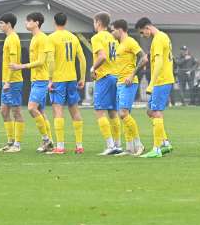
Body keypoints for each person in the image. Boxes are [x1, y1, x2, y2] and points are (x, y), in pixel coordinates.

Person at [13, 12, 54, 153]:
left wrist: (21, 66)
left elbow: (41, 61)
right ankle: (50, 141)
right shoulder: (35, 38)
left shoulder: (42, 38)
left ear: (37, 22)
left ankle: (46, 140)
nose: (26, 23)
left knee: (31, 108)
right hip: (35, 79)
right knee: (41, 111)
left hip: (41, 79)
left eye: (29, 20)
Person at [134, 17, 175, 158]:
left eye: (142, 32)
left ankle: (157, 149)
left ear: (147, 28)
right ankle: (165, 143)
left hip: (162, 80)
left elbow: (158, 63)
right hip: (164, 79)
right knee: (150, 111)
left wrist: (152, 83)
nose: (142, 35)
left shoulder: (158, 39)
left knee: (156, 112)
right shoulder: (164, 36)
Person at [48, 13, 86, 154]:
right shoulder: (73, 37)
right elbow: (82, 59)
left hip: (58, 79)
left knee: (58, 110)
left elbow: (51, 60)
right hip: (72, 78)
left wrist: (50, 79)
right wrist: (82, 77)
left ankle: (60, 146)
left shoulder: (51, 38)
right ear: (66, 21)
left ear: (54, 21)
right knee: (74, 110)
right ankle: (79, 145)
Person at [111, 19, 147, 155]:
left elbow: (144, 58)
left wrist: (132, 75)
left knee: (123, 113)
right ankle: (129, 148)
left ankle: (139, 145)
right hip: (120, 82)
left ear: (120, 30)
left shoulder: (130, 42)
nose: (112, 32)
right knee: (124, 115)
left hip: (128, 83)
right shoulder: (118, 44)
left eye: (113, 30)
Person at [91, 12, 122, 155]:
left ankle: (110, 146)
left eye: (94, 22)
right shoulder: (113, 38)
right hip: (115, 76)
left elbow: (102, 56)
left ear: (98, 22)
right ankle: (117, 145)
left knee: (99, 110)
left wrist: (93, 68)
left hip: (104, 77)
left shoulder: (97, 37)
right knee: (113, 111)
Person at [0, 13, 24, 152]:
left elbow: (13, 63)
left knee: (16, 111)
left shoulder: (13, 39)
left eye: (1, 23)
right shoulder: (8, 38)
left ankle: (17, 144)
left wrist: (8, 81)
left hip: (13, 81)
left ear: (9, 24)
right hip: (6, 81)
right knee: (3, 111)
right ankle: (10, 141)